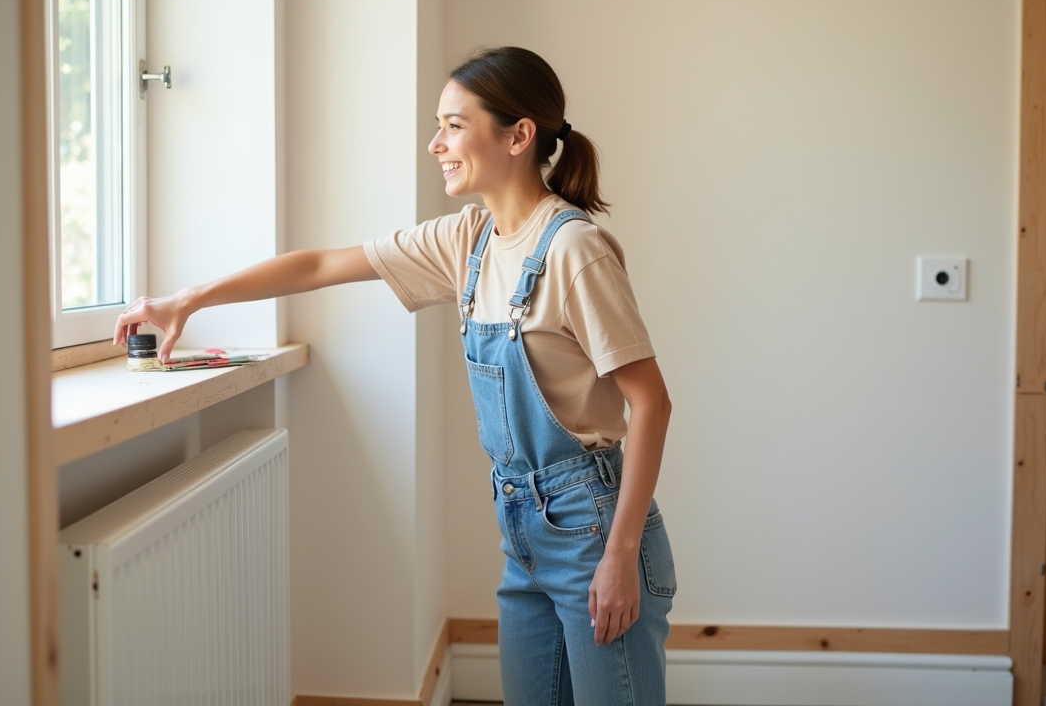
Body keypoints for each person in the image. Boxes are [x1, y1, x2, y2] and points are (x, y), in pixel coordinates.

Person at [114, 46, 676, 705]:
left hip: (593, 523)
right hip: (522, 529)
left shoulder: (574, 249)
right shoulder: (470, 240)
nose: (435, 143)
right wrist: (190, 298)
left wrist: (619, 553)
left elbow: (652, 402)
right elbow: (321, 266)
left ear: (519, 135)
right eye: (438, 125)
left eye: (454, 125)